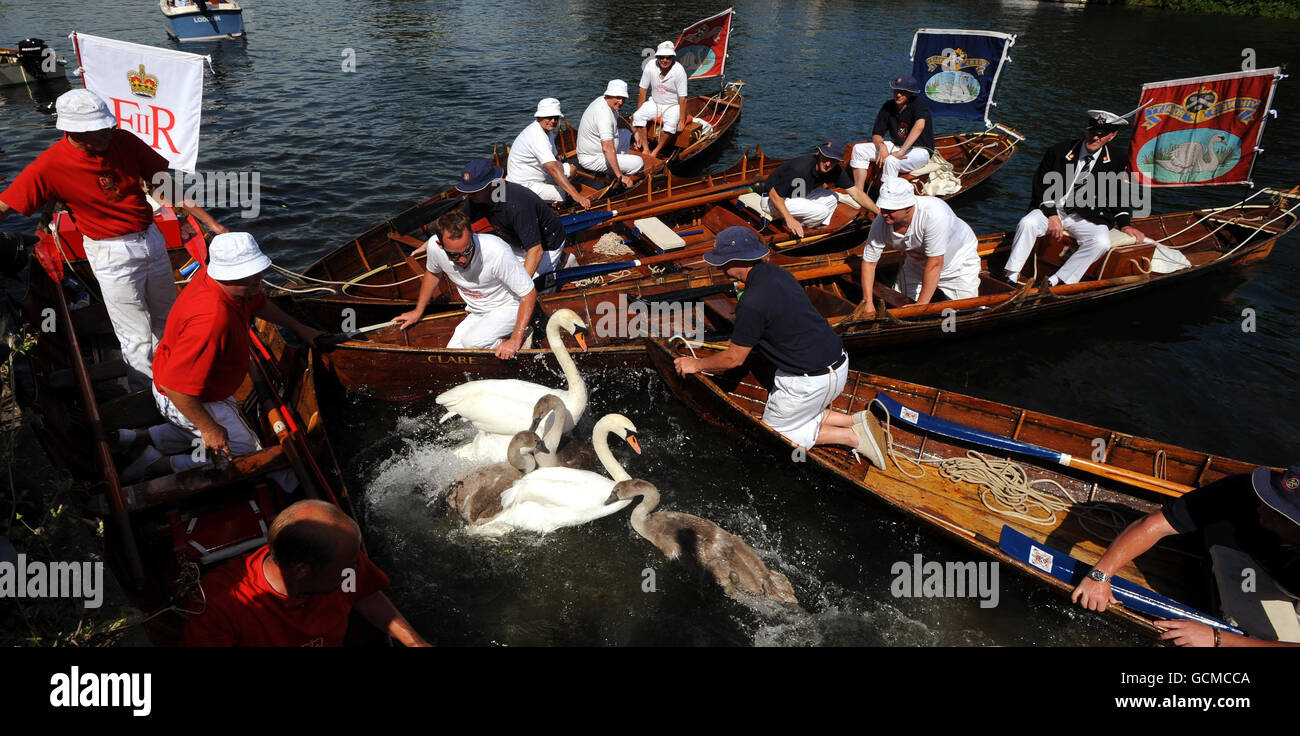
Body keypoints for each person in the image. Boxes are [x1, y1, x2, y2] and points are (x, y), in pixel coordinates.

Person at [0, 89, 227, 390]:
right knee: (135, 334)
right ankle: (148, 393)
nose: (108, 132)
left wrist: (210, 222)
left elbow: (163, 186)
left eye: (107, 125)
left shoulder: (124, 141)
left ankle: (175, 380)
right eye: (99, 129)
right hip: (111, 254)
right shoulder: (49, 165)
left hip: (151, 240)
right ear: (75, 133)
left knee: (167, 318)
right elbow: (5, 206)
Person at [117, 232, 325, 483]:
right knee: (247, 455)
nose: (259, 279)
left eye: (258, 271)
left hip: (176, 389)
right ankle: (158, 464)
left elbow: (258, 303)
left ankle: (138, 437)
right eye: (251, 275)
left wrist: (301, 328)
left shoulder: (227, 283)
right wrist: (209, 428)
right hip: (186, 397)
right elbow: (176, 388)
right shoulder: (212, 319)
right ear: (227, 275)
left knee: (194, 428)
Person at [673, 226, 888, 466]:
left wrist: (696, 364)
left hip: (808, 384)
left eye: (723, 263)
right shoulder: (778, 273)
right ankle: (852, 420)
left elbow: (734, 359)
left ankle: (851, 436)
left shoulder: (752, 302)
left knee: (774, 436)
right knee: (800, 407)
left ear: (739, 261)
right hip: (839, 366)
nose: (719, 267)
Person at [1072, 462, 1300, 647]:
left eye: (1278, 513)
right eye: (1266, 497)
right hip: (1254, 563)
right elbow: (1157, 523)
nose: (1261, 508)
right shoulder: (1245, 490)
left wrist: (1217, 639)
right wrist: (1100, 575)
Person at [182, 499, 430, 646]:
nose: (356, 568)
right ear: (302, 570)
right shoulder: (218, 609)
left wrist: (415, 643)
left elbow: (364, 595)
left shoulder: (344, 571)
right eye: (348, 565)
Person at [1002, 109, 1149, 287]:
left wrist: (1125, 224)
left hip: (1087, 216)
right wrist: (1051, 214)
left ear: (1112, 136)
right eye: (1092, 131)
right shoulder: (1059, 151)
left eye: (1101, 134)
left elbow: (1119, 195)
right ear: (1087, 130)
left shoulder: (1118, 159)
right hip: (1053, 209)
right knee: (1028, 223)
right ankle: (1011, 274)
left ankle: (1057, 281)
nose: (1095, 137)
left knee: (1101, 242)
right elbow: (1040, 187)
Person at [394, 209, 537, 359]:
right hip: (477, 311)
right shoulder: (434, 248)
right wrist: (418, 311)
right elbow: (433, 273)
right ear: (440, 245)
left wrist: (515, 339)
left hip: (510, 307)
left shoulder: (496, 251)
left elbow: (529, 293)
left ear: (472, 235)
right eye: (454, 255)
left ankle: (523, 340)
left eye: (468, 250)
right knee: (452, 352)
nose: (463, 260)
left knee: (472, 343)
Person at [857, 178, 981, 312]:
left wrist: (921, 305)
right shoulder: (881, 222)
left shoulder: (934, 215)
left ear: (908, 208)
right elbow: (869, 262)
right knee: (901, 302)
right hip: (917, 263)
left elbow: (936, 263)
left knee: (967, 311)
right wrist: (867, 302)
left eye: (891, 210)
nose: (884, 214)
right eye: (883, 208)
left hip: (957, 263)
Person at [451, 159, 569, 279]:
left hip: (546, 245)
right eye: (468, 191)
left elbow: (536, 250)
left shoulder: (517, 204)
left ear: (492, 184)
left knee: (534, 286)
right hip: (515, 241)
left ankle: (564, 263)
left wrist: (523, 287)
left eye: (475, 190)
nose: (470, 195)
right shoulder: (477, 198)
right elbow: (458, 223)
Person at [848, 75, 934, 212]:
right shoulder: (888, 106)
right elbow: (877, 134)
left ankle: (887, 204)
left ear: (910, 93)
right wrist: (881, 147)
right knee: (859, 149)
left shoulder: (919, 103)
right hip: (896, 145)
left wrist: (901, 152)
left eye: (902, 91)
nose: (898, 94)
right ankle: (858, 196)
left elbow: (920, 126)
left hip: (920, 150)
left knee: (891, 161)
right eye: (896, 90)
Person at [757, 140, 854, 239]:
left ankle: (813, 226)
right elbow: (774, 195)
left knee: (834, 197)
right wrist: (789, 219)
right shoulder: (799, 168)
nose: (828, 164)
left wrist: (871, 209)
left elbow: (857, 193)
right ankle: (793, 225)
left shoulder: (833, 169)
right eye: (826, 158)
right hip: (771, 201)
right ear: (818, 153)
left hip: (795, 197)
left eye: (833, 160)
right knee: (822, 211)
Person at [506, 98, 592, 209]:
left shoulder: (547, 131)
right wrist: (577, 196)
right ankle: (552, 204)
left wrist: (563, 173)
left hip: (540, 174)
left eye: (555, 118)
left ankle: (553, 193)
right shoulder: (537, 136)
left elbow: (555, 161)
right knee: (564, 194)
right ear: (539, 117)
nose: (553, 121)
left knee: (572, 170)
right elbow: (553, 169)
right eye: (549, 117)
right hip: (523, 185)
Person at [576, 80, 642, 185]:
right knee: (638, 163)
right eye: (618, 98)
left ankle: (617, 167)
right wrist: (620, 176)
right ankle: (621, 180)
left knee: (626, 133)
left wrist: (634, 131)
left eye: (623, 98)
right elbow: (607, 147)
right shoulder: (604, 114)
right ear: (608, 95)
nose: (621, 102)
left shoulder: (605, 101)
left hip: (598, 151)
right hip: (593, 158)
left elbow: (618, 118)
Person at [632, 41, 689, 161]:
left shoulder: (679, 70)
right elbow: (643, 89)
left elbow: (683, 98)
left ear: (673, 58)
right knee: (638, 116)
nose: (665, 60)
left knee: (670, 124)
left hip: (673, 105)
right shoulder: (650, 66)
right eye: (662, 57)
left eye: (668, 57)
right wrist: (640, 109)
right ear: (657, 57)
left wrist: (682, 121)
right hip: (655, 102)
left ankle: (656, 151)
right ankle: (646, 149)